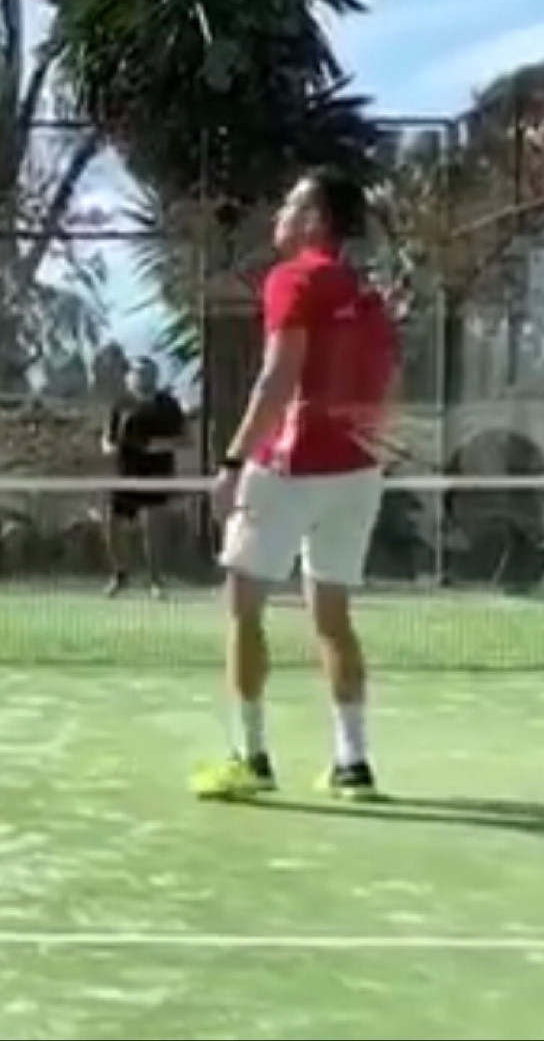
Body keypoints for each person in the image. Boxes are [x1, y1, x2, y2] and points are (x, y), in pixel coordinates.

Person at [194, 166, 400, 804]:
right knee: (333, 618)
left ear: (314, 220)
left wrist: (232, 464)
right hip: (359, 472)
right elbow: (382, 386)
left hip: (290, 468)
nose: (278, 215)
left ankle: (249, 759)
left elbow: (277, 380)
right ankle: (352, 765)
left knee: (242, 607)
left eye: (289, 205)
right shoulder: (370, 295)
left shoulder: (293, 278)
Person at [101, 357, 186, 596]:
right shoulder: (120, 404)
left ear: (155, 376)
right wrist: (110, 447)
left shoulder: (168, 405)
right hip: (125, 475)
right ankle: (120, 575)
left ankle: (155, 581)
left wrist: (158, 445)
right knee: (111, 522)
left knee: (153, 527)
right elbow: (107, 440)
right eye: (136, 372)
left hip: (157, 475)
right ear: (129, 377)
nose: (141, 377)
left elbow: (186, 439)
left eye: (146, 372)